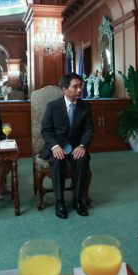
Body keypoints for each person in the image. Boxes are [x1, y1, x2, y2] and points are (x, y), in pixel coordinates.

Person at [40, 72, 94, 218]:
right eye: (75, 87)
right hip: (57, 146)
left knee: (82, 160)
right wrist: (55, 146)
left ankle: (78, 200)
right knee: (58, 160)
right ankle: (60, 201)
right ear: (64, 89)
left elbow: (88, 129)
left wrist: (82, 146)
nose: (79, 90)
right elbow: (46, 130)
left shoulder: (85, 106)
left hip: (76, 146)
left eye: (80, 86)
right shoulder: (53, 106)